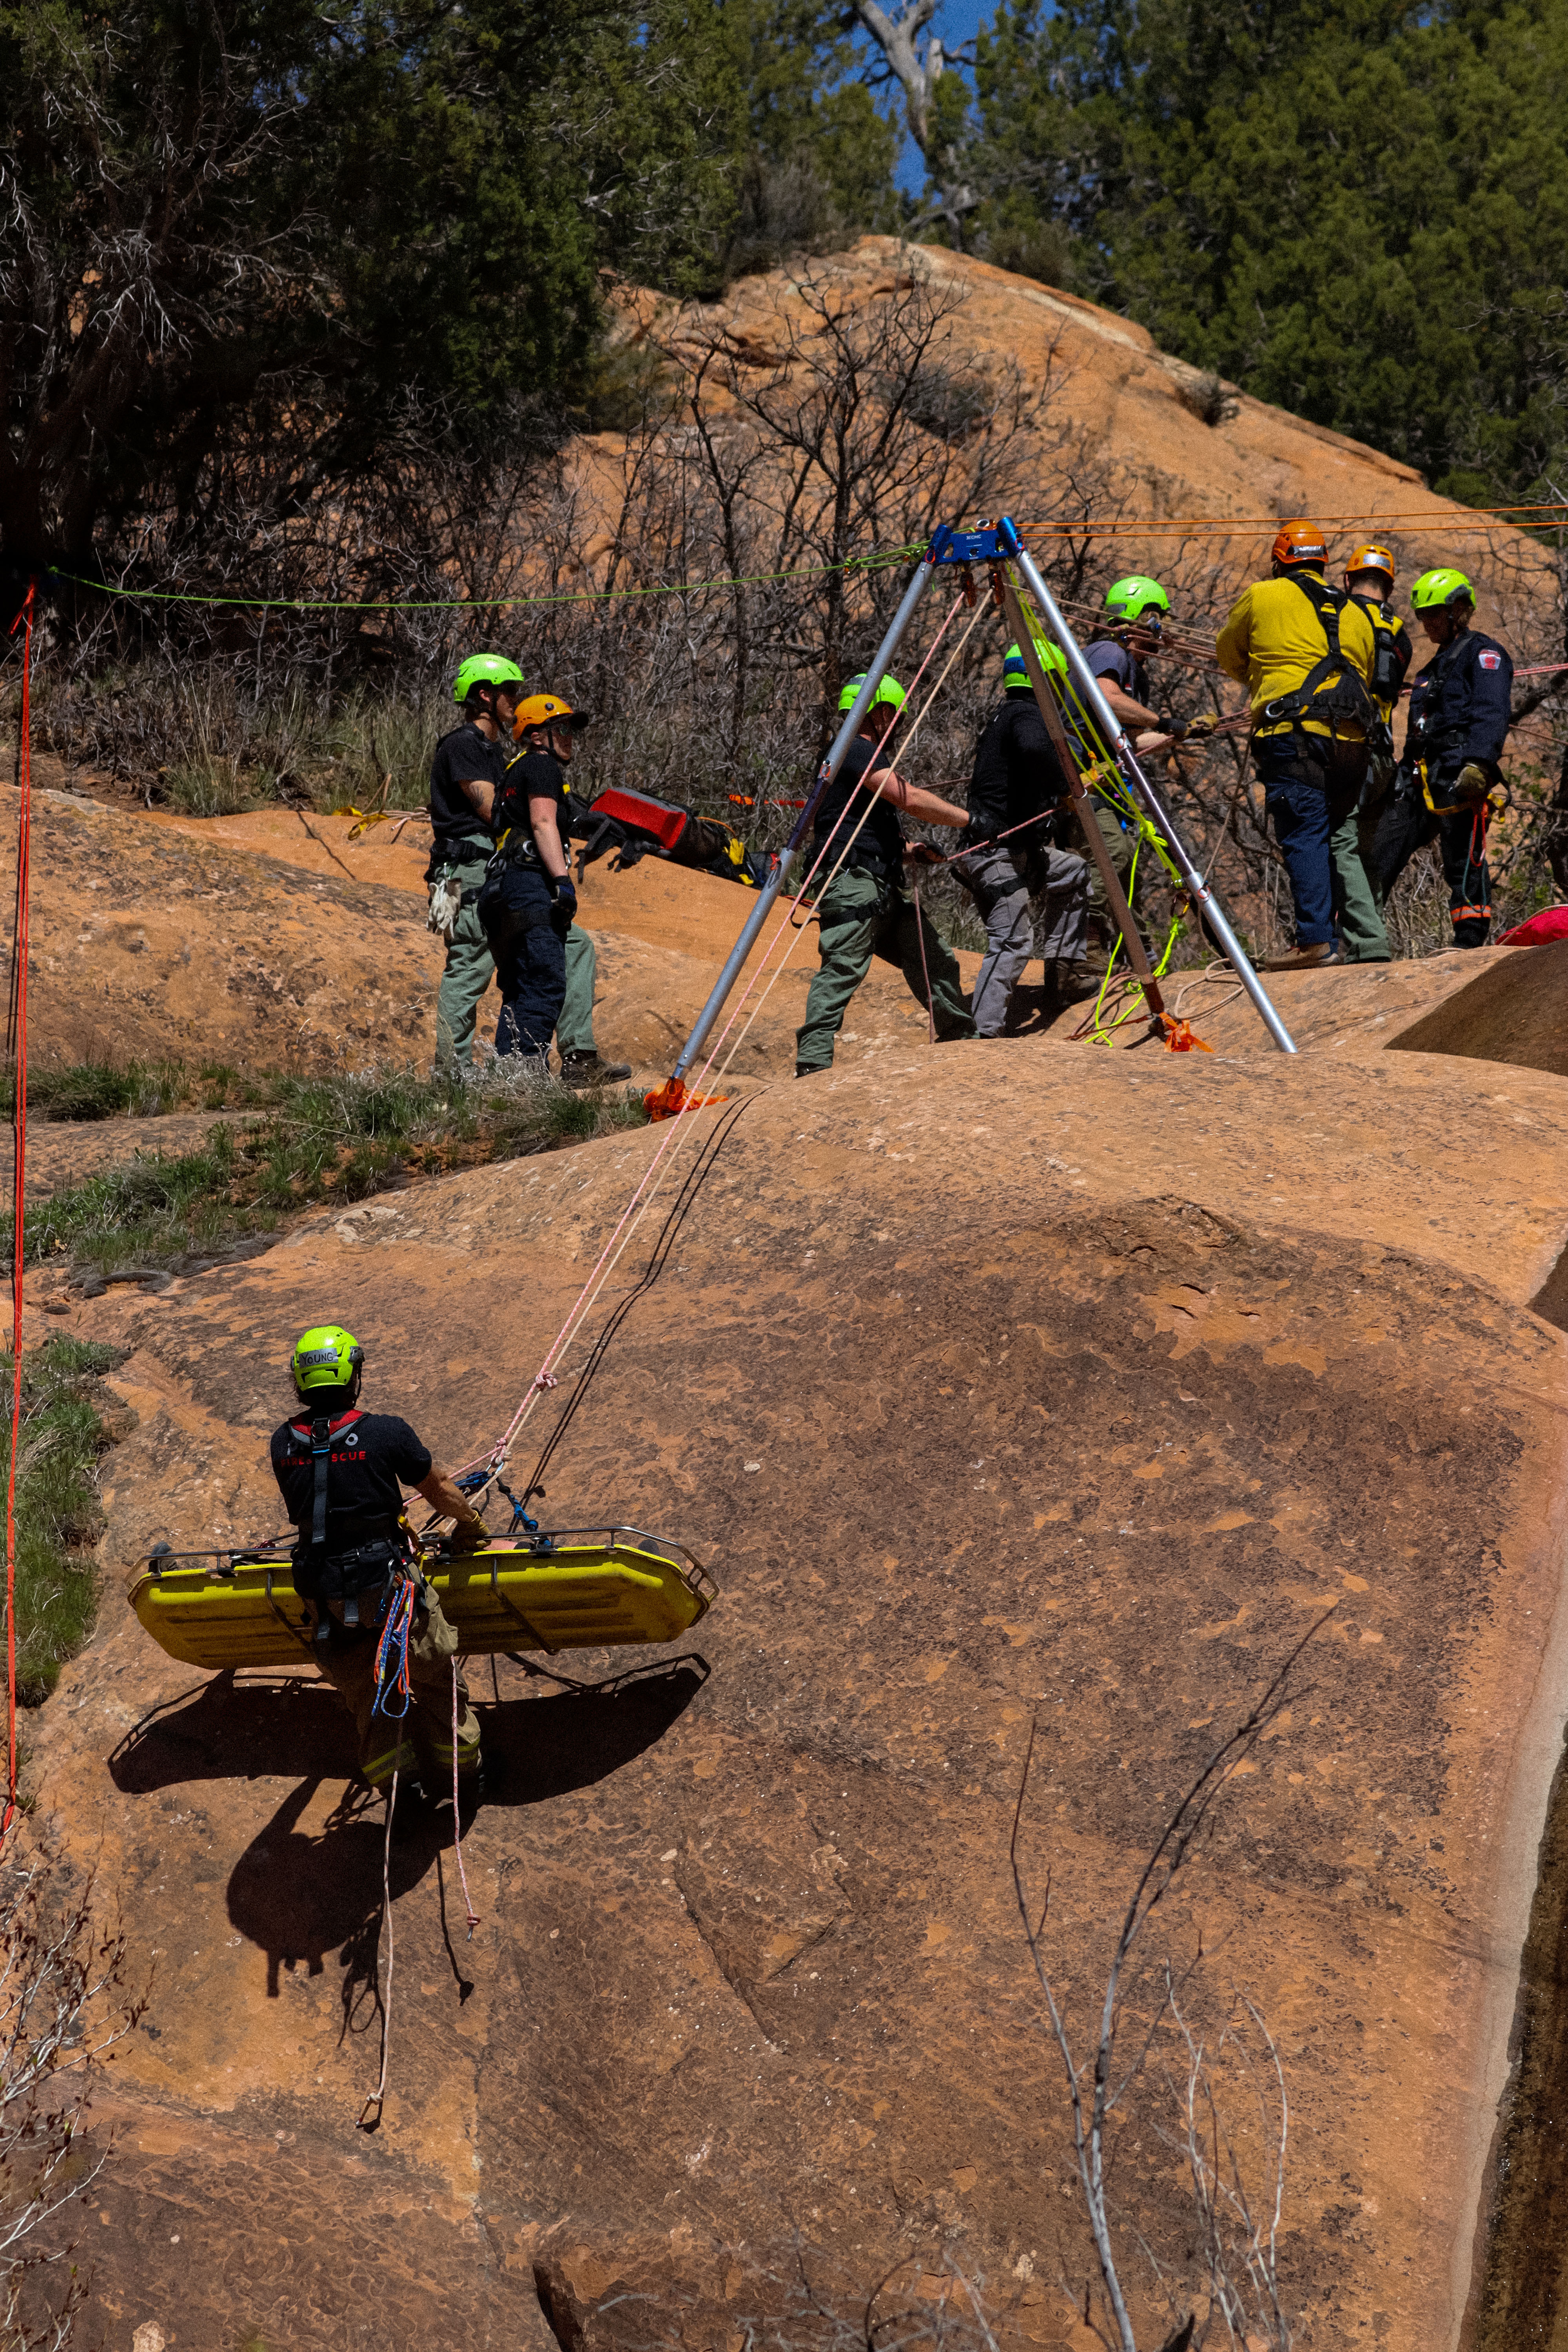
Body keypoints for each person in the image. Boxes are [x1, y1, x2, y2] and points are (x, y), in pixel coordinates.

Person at [270, 1325, 489, 1828]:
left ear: (301, 1379)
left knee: (368, 1699)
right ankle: (465, 1779)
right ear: (353, 1373)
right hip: (388, 1589)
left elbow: (329, 1499)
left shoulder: (283, 1442)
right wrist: (471, 1524)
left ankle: (400, 1796)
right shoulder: (386, 1431)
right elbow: (440, 1491)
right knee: (435, 1682)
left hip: (323, 1595)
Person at [1215, 520, 1379, 970]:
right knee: (1332, 838)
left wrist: (1262, 677)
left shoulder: (1263, 595)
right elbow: (1363, 670)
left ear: (1279, 560)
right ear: (1323, 563)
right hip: (1351, 744)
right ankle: (1356, 938)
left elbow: (1228, 653)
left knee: (1303, 834)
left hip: (1293, 737)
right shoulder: (1355, 612)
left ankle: (1315, 940)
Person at [794, 674, 976, 1076]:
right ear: (879, 713)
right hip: (853, 882)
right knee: (842, 969)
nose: (899, 729)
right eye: (897, 718)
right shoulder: (853, 749)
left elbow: (863, 829)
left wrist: (912, 853)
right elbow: (907, 798)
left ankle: (962, 1041)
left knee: (934, 960)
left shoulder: (849, 756)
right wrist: (970, 821)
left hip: (877, 882)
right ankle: (812, 1064)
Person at [1364, 569, 1513, 948]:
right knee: (1379, 854)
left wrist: (1479, 764)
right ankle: (1359, 939)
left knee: (1463, 857)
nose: (1426, 623)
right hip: (1419, 774)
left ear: (1458, 610)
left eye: (1433, 613)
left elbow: (1491, 712)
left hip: (1458, 770)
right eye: (1421, 615)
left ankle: (1469, 940)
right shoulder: (1432, 670)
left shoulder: (1484, 654)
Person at [954, 641, 1095, 1031]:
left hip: (1017, 851)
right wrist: (1065, 785)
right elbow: (1035, 748)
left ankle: (1062, 978)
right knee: (1014, 942)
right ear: (1048, 679)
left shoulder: (1010, 715)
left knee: (1074, 873)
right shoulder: (1025, 714)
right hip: (994, 855)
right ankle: (982, 1033)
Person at [1060, 577, 1183, 957]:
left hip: (1104, 780)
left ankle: (1127, 949)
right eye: (1159, 618)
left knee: (1125, 864)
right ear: (1145, 617)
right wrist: (1160, 722)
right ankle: (1087, 948)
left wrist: (1182, 733)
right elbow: (1105, 698)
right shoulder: (1109, 653)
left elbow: (1129, 740)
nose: (1163, 628)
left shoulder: (1131, 668)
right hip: (1082, 779)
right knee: (1111, 854)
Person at [477, 693, 586, 1064]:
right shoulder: (542, 766)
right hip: (526, 884)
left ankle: (506, 1081)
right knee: (543, 982)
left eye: (572, 729)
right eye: (562, 728)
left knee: (520, 990)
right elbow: (542, 821)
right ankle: (524, 1082)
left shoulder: (513, 771)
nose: (570, 736)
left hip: (498, 889)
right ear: (537, 736)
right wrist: (562, 880)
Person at [427, 655, 523, 1069]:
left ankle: (566, 1055)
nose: (516, 701)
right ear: (485, 695)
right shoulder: (463, 745)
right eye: (511, 692)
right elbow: (492, 812)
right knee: (468, 962)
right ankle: (451, 1073)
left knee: (554, 948)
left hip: (479, 867)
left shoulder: (491, 750)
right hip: (465, 870)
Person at [1332, 544, 1412, 963]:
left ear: (1348, 580)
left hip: (1352, 747)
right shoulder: (1400, 632)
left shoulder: (1343, 618)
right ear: (1389, 585)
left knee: (1340, 841)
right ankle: (1370, 933)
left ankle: (1368, 943)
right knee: (1363, 848)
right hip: (1384, 751)